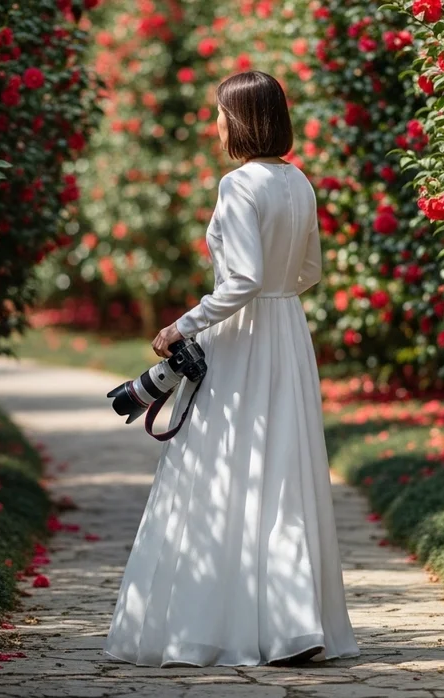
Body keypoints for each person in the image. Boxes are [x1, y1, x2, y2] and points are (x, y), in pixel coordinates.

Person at [103, 70, 361, 668]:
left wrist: (182, 326)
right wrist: (276, 299)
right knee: (282, 469)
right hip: (285, 333)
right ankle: (296, 623)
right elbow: (309, 271)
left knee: (226, 468)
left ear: (240, 119)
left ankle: (215, 625)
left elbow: (240, 279)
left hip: (243, 340)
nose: (215, 124)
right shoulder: (298, 181)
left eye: (219, 113)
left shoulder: (239, 184)